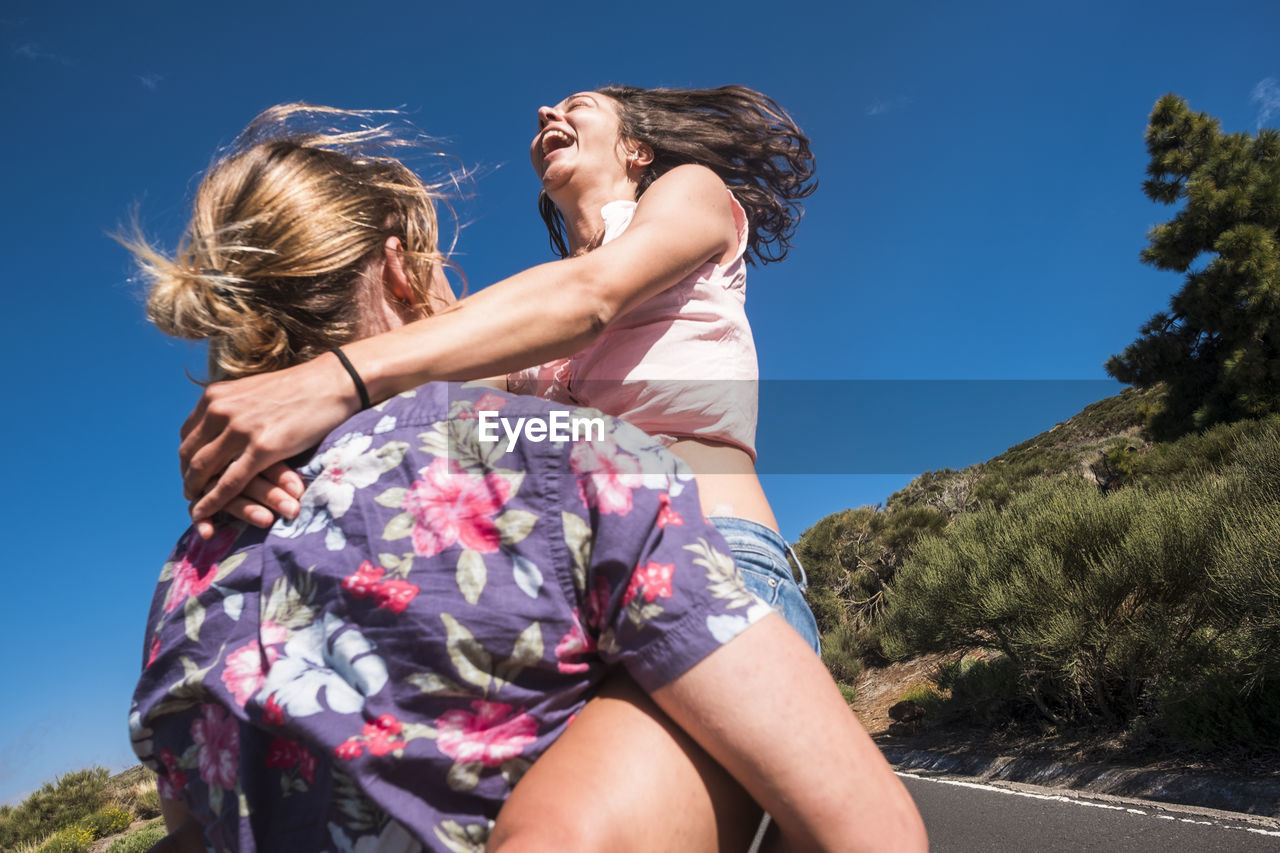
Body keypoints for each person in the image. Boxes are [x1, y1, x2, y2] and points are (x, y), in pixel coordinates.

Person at [127, 105, 927, 852]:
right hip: (576, 575)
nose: (548, 113)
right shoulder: (520, 316)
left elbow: (593, 294)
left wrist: (330, 376)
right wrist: (242, 449)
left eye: (579, 104)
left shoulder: (685, 196)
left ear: (637, 149)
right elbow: (428, 405)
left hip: (716, 555)